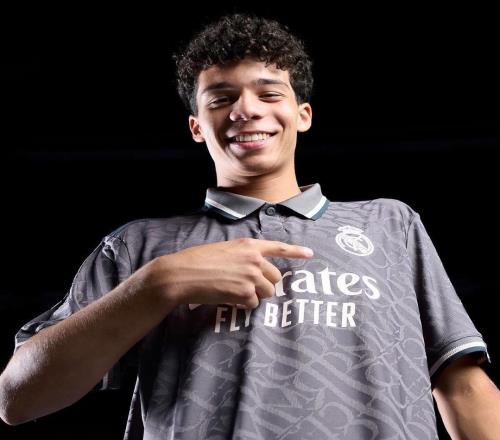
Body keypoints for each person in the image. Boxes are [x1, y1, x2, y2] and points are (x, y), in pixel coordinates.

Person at [1, 13, 499, 439]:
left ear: (302, 114)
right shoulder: (140, 246)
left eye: (268, 93)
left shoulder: (391, 224)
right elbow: (18, 398)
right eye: (221, 99)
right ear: (197, 126)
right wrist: (158, 284)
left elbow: (462, 385)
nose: (246, 109)